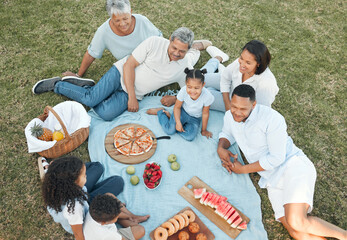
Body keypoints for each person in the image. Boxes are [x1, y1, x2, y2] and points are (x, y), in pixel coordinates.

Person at [217, 84, 347, 240]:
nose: (237, 112)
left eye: (243, 109)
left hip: (292, 166)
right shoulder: (229, 116)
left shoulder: (272, 119)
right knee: (296, 232)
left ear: (254, 105)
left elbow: (276, 158)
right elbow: (227, 133)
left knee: (297, 222)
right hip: (271, 180)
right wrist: (221, 147)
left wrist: (243, 169)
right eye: (234, 106)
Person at [33, 27, 210, 121]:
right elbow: (129, 65)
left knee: (106, 114)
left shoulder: (184, 66)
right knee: (90, 100)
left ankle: (87, 86)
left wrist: (173, 98)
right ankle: (58, 85)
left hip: (130, 93)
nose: (176, 53)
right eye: (174, 47)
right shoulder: (155, 42)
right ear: (170, 40)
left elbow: (189, 90)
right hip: (120, 74)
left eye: (182, 51)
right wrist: (132, 97)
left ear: (188, 50)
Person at [41, 156, 148, 240]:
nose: (86, 175)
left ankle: (50, 170)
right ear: (73, 182)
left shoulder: (59, 188)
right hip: (86, 214)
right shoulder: (74, 210)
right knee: (117, 183)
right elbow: (79, 235)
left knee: (98, 167)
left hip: (83, 199)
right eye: (83, 175)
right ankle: (131, 217)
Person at [161, 40, 279, 111]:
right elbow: (225, 79)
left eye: (248, 63)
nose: (241, 64)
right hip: (229, 85)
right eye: (241, 58)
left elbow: (260, 110)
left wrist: (229, 105)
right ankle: (217, 58)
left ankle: (180, 98)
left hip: (238, 101)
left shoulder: (266, 84)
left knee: (202, 97)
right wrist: (225, 99)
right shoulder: (240, 63)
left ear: (258, 64)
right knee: (198, 78)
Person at [63, 0, 162, 78]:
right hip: (131, 69)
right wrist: (78, 75)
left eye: (125, 18)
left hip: (151, 61)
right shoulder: (104, 31)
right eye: (117, 20)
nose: (122, 24)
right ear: (111, 18)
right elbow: (91, 54)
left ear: (131, 13)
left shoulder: (142, 21)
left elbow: (160, 40)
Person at [147, 68, 214, 141]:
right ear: (186, 83)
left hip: (195, 118)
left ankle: (171, 118)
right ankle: (161, 112)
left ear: (203, 85)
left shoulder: (207, 96)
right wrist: (178, 122)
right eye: (189, 87)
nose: (192, 91)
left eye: (196, 88)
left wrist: (204, 130)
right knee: (169, 130)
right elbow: (177, 107)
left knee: (189, 136)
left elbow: (205, 113)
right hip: (182, 112)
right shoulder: (183, 91)